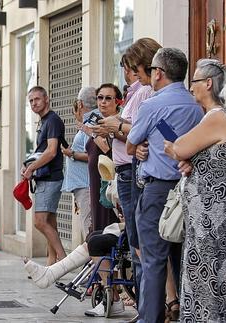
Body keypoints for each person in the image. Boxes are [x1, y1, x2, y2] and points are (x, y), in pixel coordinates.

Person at [126, 48, 204, 323]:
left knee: (154, 259)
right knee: (183, 258)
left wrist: (141, 147)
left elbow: (131, 142)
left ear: (158, 73)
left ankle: (151, 318)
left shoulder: (152, 105)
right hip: (191, 188)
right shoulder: (198, 105)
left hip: (158, 189)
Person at [164, 60, 226, 321]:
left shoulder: (224, 117)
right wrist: (196, 159)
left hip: (214, 224)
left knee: (208, 285)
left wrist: (183, 153)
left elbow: (180, 147)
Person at [97, 40, 160, 322]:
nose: (129, 72)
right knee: (137, 240)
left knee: (141, 242)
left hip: (135, 170)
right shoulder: (140, 92)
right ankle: (146, 306)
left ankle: (148, 308)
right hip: (128, 169)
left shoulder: (146, 92)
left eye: (131, 66)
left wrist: (118, 127)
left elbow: (140, 133)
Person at [21, 86, 66, 266]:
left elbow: (51, 151)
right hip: (45, 178)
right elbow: (42, 152)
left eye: (37, 99)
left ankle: (63, 260)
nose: (34, 103)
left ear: (46, 99)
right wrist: (29, 167)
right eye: (31, 101)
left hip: (50, 178)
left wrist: (31, 168)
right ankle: (51, 262)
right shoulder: (44, 121)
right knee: (50, 223)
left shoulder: (52, 120)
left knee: (40, 222)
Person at [86, 83, 122, 232]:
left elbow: (118, 154)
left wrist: (104, 138)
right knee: (96, 229)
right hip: (95, 185)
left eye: (108, 98)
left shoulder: (119, 123)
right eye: (100, 98)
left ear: (117, 102)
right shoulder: (96, 123)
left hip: (110, 185)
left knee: (108, 230)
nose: (103, 102)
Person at [61, 87, 94, 241]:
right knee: (88, 229)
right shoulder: (87, 122)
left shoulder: (92, 123)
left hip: (87, 185)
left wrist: (71, 154)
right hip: (83, 186)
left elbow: (93, 154)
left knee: (89, 232)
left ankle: (97, 263)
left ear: (80, 104)